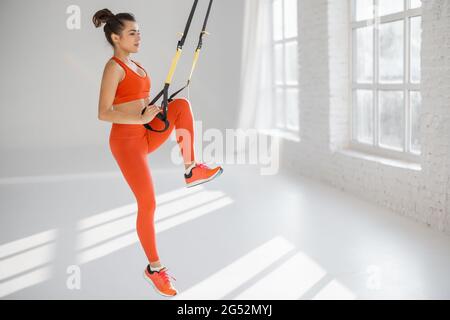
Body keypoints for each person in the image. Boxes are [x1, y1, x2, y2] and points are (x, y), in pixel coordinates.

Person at [93, 8, 223, 297]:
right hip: (127, 142)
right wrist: (139, 118)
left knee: (181, 107)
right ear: (115, 37)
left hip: (146, 132)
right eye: (131, 33)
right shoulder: (113, 67)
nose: (138, 36)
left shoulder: (137, 65)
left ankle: (191, 169)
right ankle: (154, 268)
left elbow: (137, 102)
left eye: (139, 31)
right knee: (148, 203)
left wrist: (150, 114)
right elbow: (104, 112)